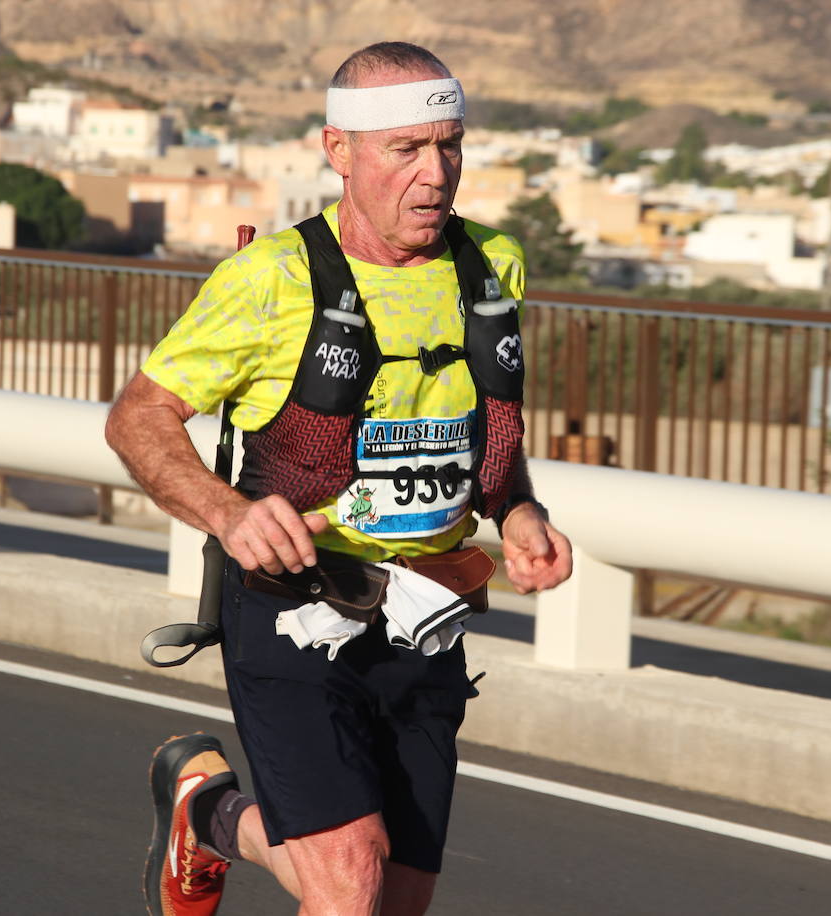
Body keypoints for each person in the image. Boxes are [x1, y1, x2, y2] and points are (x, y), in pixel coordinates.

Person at [105, 40, 573, 916]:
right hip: (291, 605)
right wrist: (227, 512)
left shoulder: (492, 266)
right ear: (340, 152)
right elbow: (137, 418)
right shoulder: (273, 279)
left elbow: (487, 436)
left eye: (451, 145)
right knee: (347, 886)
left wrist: (519, 512)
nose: (436, 175)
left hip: (427, 611)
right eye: (405, 150)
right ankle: (212, 813)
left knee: (390, 898)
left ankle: (204, 812)